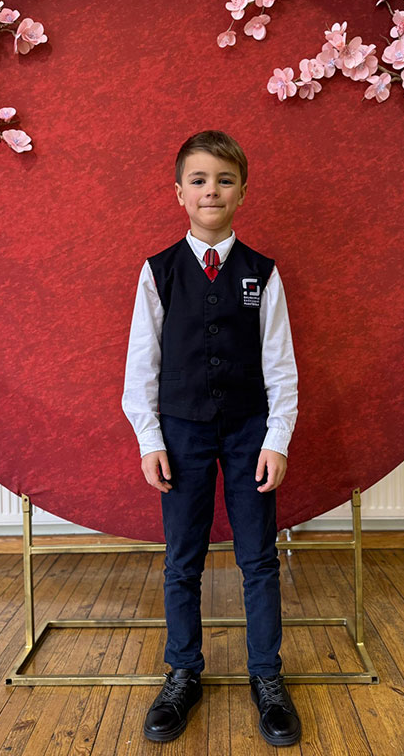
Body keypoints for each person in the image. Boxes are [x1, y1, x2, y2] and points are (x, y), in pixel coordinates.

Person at [121, 129, 300, 746]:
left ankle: (266, 676)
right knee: (182, 558)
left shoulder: (262, 273)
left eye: (225, 180)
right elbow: (140, 364)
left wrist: (277, 438)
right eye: (199, 180)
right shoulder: (159, 272)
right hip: (181, 431)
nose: (211, 191)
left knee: (258, 558)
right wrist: (150, 439)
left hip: (251, 431)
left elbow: (281, 365)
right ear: (179, 193)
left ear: (242, 192)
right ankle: (182, 673)